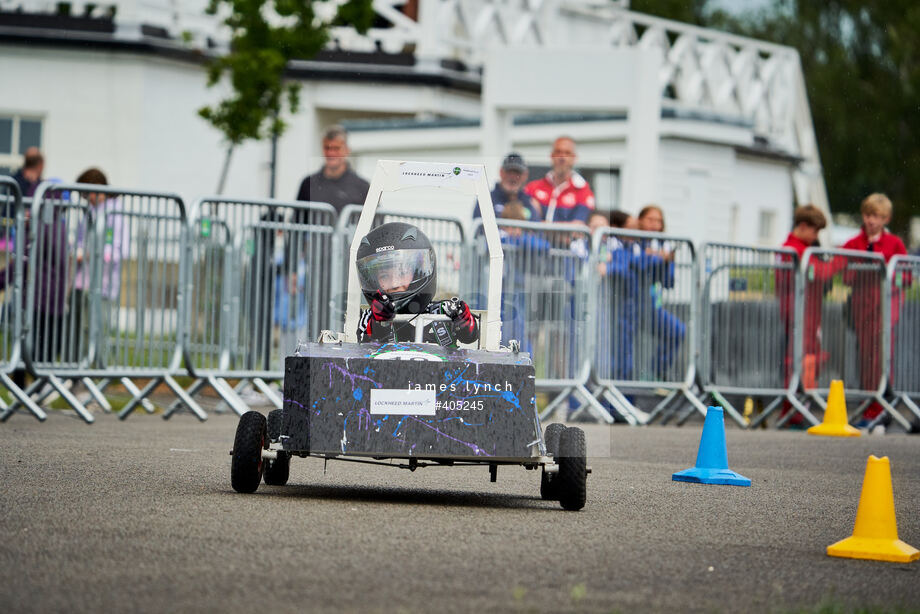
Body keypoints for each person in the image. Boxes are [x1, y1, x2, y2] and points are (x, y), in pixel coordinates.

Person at [841, 193, 908, 431]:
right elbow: (845, 275)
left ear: (886, 218)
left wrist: (887, 274)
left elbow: (905, 275)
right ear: (863, 215)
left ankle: (879, 411)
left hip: (886, 311)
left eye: (877, 216)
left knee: (880, 360)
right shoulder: (852, 244)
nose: (872, 220)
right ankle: (868, 409)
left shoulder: (895, 244)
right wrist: (860, 270)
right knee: (865, 361)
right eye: (869, 215)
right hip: (862, 311)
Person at [355, 222, 479, 346]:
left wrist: (464, 321)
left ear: (416, 273)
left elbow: (469, 336)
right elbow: (366, 346)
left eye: (401, 273)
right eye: (385, 276)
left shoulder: (444, 310)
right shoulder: (370, 317)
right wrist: (381, 323)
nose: (394, 283)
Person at [776, 204, 835, 427]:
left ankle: (796, 411)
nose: (816, 236)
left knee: (804, 363)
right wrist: (841, 259)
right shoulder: (796, 250)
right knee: (800, 364)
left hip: (804, 315)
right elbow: (821, 272)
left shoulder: (796, 248)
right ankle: (793, 413)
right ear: (803, 226)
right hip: (801, 316)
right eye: (815, 231)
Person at [71, 168, 127, 366]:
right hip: (83, 279)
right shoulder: (89, 212)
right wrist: (77, 250)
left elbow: (118, 248)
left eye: (86, 194)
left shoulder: (115, 211)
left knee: (99, 326)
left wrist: (93, 254)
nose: (85, 199)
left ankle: (100, 369)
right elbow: (79, 239)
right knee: (80, 326)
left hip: (103, 280)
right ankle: (79, 367)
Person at [634, 205, 685, 378]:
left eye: (659, 221)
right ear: (640, 220)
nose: (655, 225)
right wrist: (656, 258)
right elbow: (637, 266)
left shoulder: (663, 245)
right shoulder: (634, 240)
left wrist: (666, 262)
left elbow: (668, 282)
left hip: (652, 306)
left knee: (677, 331)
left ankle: (656, 372)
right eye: (650, 219)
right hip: (632, 304)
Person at [295, 125, 369, 215]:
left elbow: (375, 222)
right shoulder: (308, 183)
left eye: (336, 148)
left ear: (347, 150)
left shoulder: (363, 187)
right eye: (327, 148)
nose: (331, 153)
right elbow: (298, 221)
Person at [524, 137, 595, 223]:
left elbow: (577, 228)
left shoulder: (583, 190)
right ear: (551, 155)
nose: (562, 157)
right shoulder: (533, 188)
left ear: (574, 158)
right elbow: (524, 220)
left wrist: (541, 224)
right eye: (558, 152)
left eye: (567, 153)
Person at [473, 152, 542, 222]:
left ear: (525, 176)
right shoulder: (485, 200)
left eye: (517, 172)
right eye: (509, 172)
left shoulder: (530, 202)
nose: (513, 177)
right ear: (501, 172)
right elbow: (479, 229)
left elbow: (536, 230)